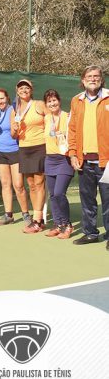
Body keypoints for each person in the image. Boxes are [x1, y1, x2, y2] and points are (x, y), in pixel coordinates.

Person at [68, 65, 109, 248]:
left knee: (108, 201)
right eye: (89, 76)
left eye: (96, 76)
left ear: (101, 79)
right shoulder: (76, 101)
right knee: (87, 200)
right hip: (84, 161)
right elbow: (72, 130)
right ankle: (90, 233)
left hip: (106, 162)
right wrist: (72, 154)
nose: (93, 79)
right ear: (83, 80)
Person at [0, 88, 30, 226]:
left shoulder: (15, 110)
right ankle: (8, 215)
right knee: (5, 184)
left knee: (19, 185)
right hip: (0, 152)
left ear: (7, 98)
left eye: (2, 98)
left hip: (15, 151)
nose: (0, 101)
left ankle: (26, 214)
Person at [10, 79, 48, 233]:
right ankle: (38, 218)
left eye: (26, 88)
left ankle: (38, 220)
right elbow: (13, 135)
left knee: (39, 183)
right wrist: (14, 129)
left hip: (40, 146)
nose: (23, 90)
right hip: (24, 149)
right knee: (31, 184)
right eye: (21, 88)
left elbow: (52, 121)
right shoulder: (14, 110)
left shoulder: (39, 104)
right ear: (17, 91)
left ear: (31, 90)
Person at [42, 89, 74, 239]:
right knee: (53, 195)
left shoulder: (67, 117)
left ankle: (67, 225)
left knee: (60, 193)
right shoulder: (46, 118)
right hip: (50, 160)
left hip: (65, 160)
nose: (52, 103)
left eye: (54, 100)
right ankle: (58, 224)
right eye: (49, 101)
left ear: (59, 101)